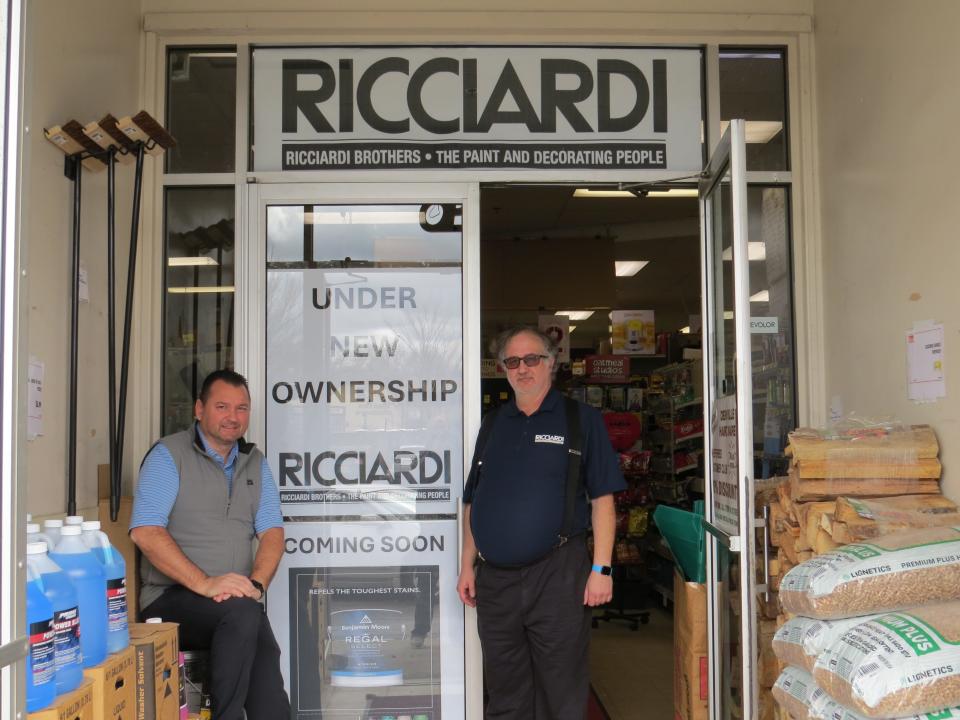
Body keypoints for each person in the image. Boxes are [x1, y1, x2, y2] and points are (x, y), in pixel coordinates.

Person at [457, 326, 626, 720]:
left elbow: (603, 499)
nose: (522, 369)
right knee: (504, 688)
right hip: (495, 581)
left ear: (551, 363)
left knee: (560, 687)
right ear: (503, 369)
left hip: (558, 575)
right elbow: (472, 499)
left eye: (532, 359)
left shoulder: (581, 420)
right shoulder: (493, 424)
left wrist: (602, 569)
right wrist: (467, 564)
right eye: (512, 362)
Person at [130, 369, 290, 720]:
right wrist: (205, 583)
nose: (233, 417)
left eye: (242, 408)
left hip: (234, 606)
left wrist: (256, 585)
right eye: (222, 406)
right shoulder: (168, 456)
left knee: (267, 684)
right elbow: (145, 531)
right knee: (244, 615)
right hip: (171, 599)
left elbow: (272, 533)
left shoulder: (254, 463)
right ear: (199, 409)